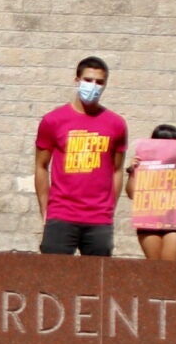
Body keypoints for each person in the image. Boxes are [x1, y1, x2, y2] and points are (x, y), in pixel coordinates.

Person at [34, 56, 126, 256]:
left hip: (99, 219)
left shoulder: (116, 124)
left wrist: (110, 207)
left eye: (99, 82)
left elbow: (117, 170)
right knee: (52, 279)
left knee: (97, 282)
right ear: (77, 80)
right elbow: (41, 166)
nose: (93, 86)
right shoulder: (53, 120)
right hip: (61, 214)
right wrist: (45, 209)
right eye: (88, 80)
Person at [133, 122, 176, 262]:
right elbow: (132, 193)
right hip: (150, 219)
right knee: (154, 267)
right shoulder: (144, 162)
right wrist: (133, 170)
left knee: (169, 268)